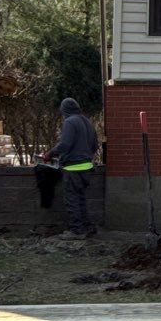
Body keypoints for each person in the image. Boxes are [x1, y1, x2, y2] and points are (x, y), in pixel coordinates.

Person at [48, 97, 99, 236]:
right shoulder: (87, 122)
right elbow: (95, 145)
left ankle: (76, 231)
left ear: (64, 111)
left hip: (73, 169)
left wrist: (50, 154)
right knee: (81, 199)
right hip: (87, 168)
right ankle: (87, 227)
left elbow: (65, 144)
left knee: (72, 200)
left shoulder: (70, 122)